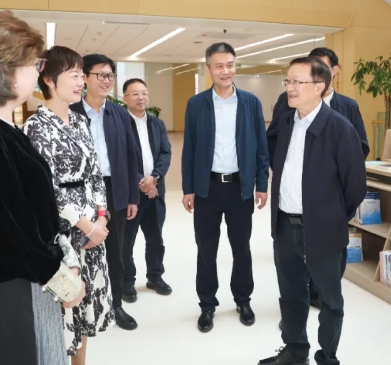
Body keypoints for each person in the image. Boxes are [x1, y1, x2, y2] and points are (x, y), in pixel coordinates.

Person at [0, 10, 84, 365]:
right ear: (3, 69)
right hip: (4, 289)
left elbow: (33, 213)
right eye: (33, 64)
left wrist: (62, 257)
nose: (38, 72)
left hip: (23, 279)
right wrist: (63, 281)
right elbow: (10, 231)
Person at [260, 56, 367, 365]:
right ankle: (295, 351)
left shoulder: (339, 128)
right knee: (291, 295)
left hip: (323, 229)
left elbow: (355, 187)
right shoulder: (286, 122)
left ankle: (327, 357)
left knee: (329, 300)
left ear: (319, 86)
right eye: (288, 81)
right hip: (285, 225)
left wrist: (331, 217)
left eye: (298, 82)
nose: (290, 88)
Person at [24, 46, 114, 363]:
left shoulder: (79, 121)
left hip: (92, 231)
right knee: (64, 313)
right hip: (63, 234)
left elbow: (95, 174)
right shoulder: (36, 126)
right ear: (49, 80)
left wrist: (101, 219)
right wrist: (87, 226)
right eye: (73, 75)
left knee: (85, 311)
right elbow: (46, 189)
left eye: (80, 75)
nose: (80, 82)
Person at [182, 42, 269, 333]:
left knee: (241, 249)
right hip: (207, 189)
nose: (225, 70)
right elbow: (189, 149)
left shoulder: (250, 103)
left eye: (230, 64)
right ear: (208, 69)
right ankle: (207, 305)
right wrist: (188, 188)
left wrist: (261, 184)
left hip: (239, 189)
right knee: (206, 250)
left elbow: (261, 148)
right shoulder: (196, 104)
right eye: (219, 65)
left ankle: (243, 300)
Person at [70, 54, 140, 331]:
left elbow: (131, 157)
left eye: (110, 75)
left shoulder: (119, 113)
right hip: (80, 193)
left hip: (114, 190)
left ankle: (116, 304)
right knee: (79, 247)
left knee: (116, 250)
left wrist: (132, 197)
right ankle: (79, 303)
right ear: (84, 78)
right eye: (100, 75)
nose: (106, 80)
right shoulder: (71, 112)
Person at [121, 78, 173, 302]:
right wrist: (142, 182)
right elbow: (120, 159)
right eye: (135, 94)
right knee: (126, 241)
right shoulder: (120, 124)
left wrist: (155, 179)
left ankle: (155, 277)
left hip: (156, 192)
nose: (141, 97)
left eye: (144, 93)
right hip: (131, 195)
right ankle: (127, 282)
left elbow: (165, 153)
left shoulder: (157, 123)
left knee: (155, 239)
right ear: (125, 98)